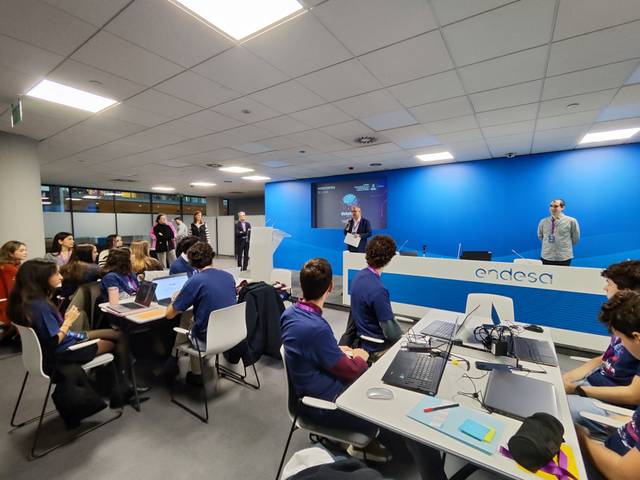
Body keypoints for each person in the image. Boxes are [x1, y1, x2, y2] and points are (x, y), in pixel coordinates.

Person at [281, 258, 446, 476]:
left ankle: (382, 445)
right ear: (330, 287)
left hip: (315, 390)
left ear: (302, 284)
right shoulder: (315, 328)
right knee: (388, 395)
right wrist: (359, 356)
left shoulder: (292, 314)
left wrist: (341, 352)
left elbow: (314, 351)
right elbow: (353, 370)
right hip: (327, 405)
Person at [7, 259, 129, 377]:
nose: (61, 277)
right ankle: (123, 382)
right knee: (117, 339)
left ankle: (106, 379)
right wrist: (68, 321)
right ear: (41, 278)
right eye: (56, 274)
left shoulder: (24, 302)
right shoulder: (40, 306)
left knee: (116, 333)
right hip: (67, 350)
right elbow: (54, 341)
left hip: (69, 338)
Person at [564, 260, 640, 433]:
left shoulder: (631, 328)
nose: (605, 288)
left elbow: (634, 395)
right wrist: (568, 378)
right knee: (549, 388)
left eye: (609, 283)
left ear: (626, 291)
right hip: (591, 385)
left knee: (552, 406)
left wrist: (578, 389)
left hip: (607, 402)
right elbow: (606, 357)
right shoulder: (622, 319)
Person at [576, 291, 640, 480]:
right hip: (608, 448)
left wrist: (581, 439)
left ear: (637, 337)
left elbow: (622, 474)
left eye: (622, 339)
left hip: (606, 468)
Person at [166, 242, 236, 384]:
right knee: (188, 317)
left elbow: (169, 315)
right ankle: (176, 360)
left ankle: (191, 370)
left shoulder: (195, 281)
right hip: (232, 335)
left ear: (191, 262)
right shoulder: (229, 277)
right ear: (212, 257)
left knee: (189, 322)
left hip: (207, 341)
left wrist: (176, 297)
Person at [349, 235, 402, 360]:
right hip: (377, 346)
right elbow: (392, 333)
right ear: (389, 259)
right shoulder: (379, 290)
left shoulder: (358, 276)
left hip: (362, 339)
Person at [537, 199, 580, 266]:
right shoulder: (543, 221)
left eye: (556, 206)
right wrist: (549, 245)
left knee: (563, 276)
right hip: (547, 256)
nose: (552, 208)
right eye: (551, 206)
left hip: (563, 257)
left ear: (562, 208)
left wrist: (563, 245)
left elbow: (575, 237)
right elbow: (540, 236)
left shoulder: (571, 221)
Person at [0, 240, 27, 342]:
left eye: (25, 250)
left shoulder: (13, 267)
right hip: (9, 305)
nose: (25, 252)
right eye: (21, 250)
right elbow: (13, 290)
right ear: (11, 253)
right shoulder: (9, 269)